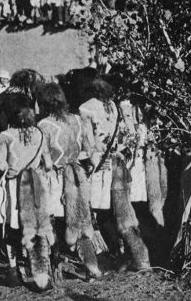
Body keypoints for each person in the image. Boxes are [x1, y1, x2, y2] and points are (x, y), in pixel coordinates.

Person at [78, 77, 150, 271]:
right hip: (117, 162)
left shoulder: (86, 107)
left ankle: (114, 254)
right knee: (120, 210)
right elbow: (126, 135)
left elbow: (87, 139)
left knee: (99, 210)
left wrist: (91, 160)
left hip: (99, 164)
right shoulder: (115, 107)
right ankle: (128, 254)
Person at [37, 83, 102, 282]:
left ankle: (54, 267)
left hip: (55, 178)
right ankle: (92, 267)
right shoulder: (77, 119)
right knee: (81, 220)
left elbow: (45, 159)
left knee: (53, 221)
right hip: (78, 175)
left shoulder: (43, 125)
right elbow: (90, 149)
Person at [0, 94, 52, 287]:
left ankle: (13, 270)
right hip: (35, 185)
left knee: (11, 227)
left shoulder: (6, 136)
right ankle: (43, 271)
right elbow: (48, 163)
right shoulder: (40, 133)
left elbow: (2, 166)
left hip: (14, 185)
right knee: (38, 226)